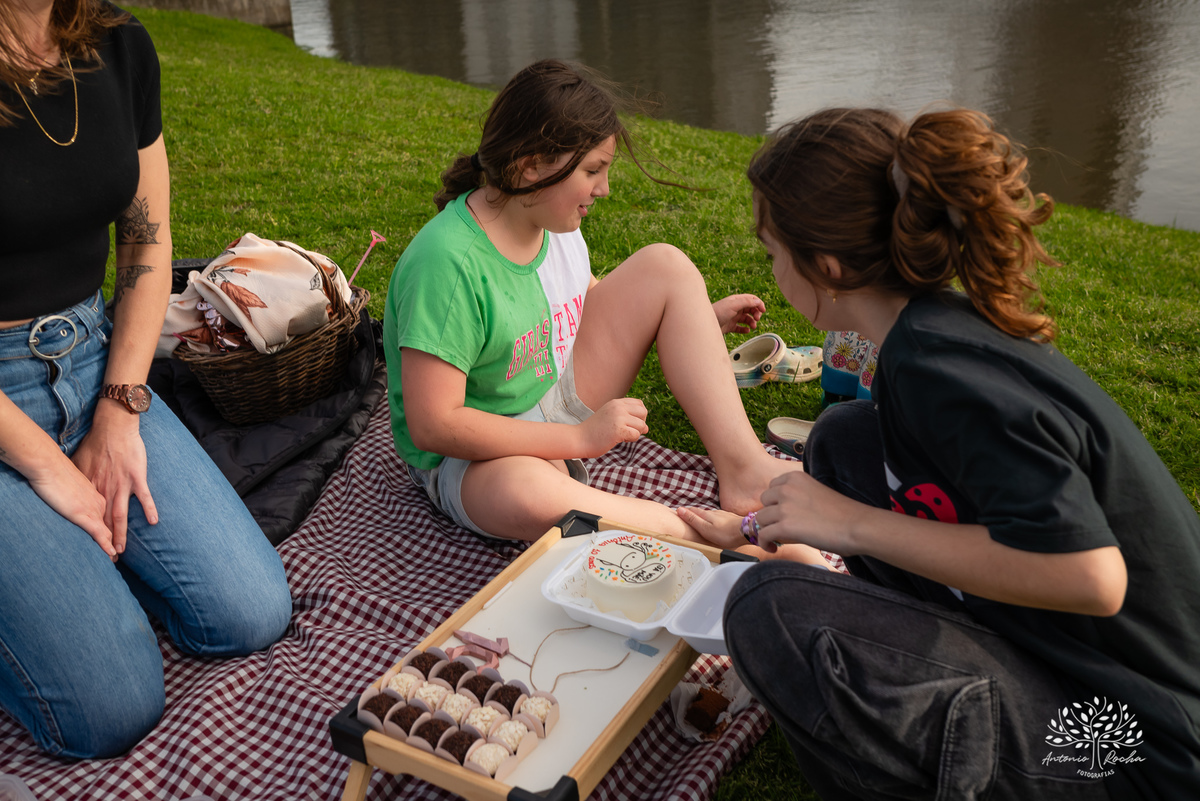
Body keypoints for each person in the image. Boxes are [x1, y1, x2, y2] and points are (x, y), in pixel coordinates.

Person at [680, 108, 1200, 799]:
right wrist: (755, 527)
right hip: (1067, 663)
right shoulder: (922, 338)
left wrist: (846, 524)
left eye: (774, 250)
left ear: (827, 267)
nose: (771, 266)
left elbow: (1092, 576)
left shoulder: (941, 371)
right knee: (843, 441)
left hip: (1132, 745)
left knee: (766, 608)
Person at [0, 0, 291, 759]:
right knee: (112, 705)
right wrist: (44, 466)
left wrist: (120, 412)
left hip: (96, 356)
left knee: (249, 610)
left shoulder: (116, 41)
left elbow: (144, 245)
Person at [383, 59, 796, 546]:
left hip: (549, 395)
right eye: (592, 171)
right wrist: (580, 439)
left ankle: (744, 468)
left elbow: (581, 302)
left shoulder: (548, 222)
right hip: (474, 456)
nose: (604, 189)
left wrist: (693, 323)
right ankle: (694, 532)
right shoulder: (447, 264)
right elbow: (436, 425)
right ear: (529, 165)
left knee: (666, 265)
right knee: (527, 492)